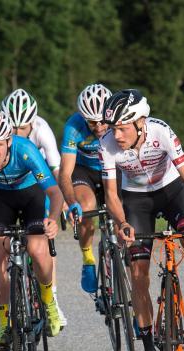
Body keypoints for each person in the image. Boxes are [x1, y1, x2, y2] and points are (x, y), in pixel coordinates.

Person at [99, 89, 184, 351]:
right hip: (136, 200)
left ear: (141, 123)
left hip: (171, 191)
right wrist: (122, 222)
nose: (117, 134)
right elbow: (112, 194)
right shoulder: (107, 145)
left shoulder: (161, 131)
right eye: (114, 128)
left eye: (123, 128)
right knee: (138, 274)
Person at [0, 110, 64, 346]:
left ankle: (48, 301)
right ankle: (4, 324)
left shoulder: (25, 150)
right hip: (0, 199)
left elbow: (54, 192)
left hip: (31, 196)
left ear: (9, 141)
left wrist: (53, 219)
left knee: (36, 248)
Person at [1, 88, 67, 329]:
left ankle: (54, 300)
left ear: (32, 122)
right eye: (13, 128)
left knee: (43, 243)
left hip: (39, 184)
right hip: (8, 188)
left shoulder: (42, 129)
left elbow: (56, 171)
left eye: (22, 129)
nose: (17, 134)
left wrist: (63, 203)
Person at [59, 83, 112, 294]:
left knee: (122, 215)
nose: (99, 127)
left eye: (102, 121)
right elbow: (64, 172)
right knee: (87, 206)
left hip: (112, 169)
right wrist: (71, 203)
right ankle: (88, 257)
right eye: (92, 122)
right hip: (84, 171)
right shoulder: (73, 127)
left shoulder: (118, 119)